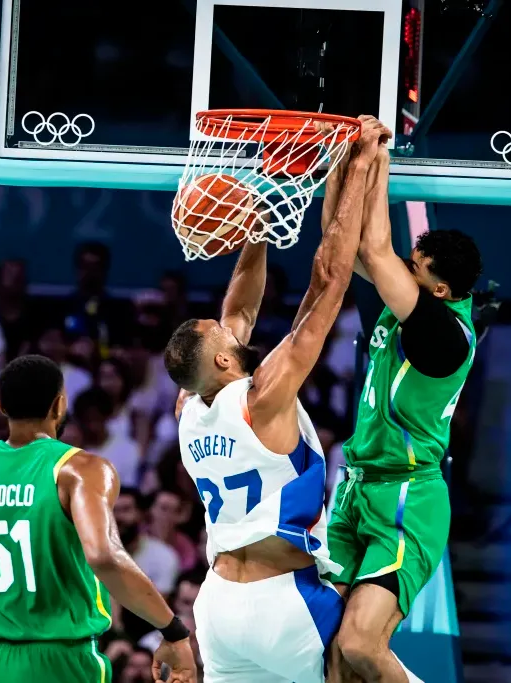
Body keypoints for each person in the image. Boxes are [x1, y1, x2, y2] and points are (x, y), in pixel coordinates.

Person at [164, 117, 414, 683]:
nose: (233, 332)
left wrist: (255, 234)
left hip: (218, 608)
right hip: (283, 602)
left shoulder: (188, 404)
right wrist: (360, 170)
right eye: (225, 338)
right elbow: (328, 282)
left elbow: (238, 312)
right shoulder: (263, 396)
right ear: (226, 361)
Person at [325, 143, 482, 681]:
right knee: (327, 646)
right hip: (356, 488)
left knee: (361, 644)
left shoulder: (444, 334)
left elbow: (374, 249)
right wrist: (339, 171)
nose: (399, 270)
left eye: (412, 268)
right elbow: (345, 246)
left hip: (406, 498)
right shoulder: (409, 305)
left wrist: (376, 160)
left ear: (438, 289)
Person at [0, 354, 196, 683]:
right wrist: (173, 630)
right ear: (59, 405)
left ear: (1, 405)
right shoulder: (79, 469)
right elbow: (103, 556)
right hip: (58, 659)